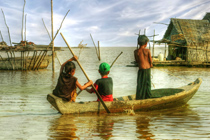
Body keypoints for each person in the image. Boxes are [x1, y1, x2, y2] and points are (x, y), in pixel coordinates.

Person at [134, 35, 153, 100]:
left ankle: (140, 97)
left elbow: (137, 61)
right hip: (147, 69)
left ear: (138, 43)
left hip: (141, 69)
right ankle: (148, 96)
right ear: (146, 43)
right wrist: (151, 65)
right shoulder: (148, 51)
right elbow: (150, 61)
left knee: (140, 84)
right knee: (147, 83)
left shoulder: (136, 52)